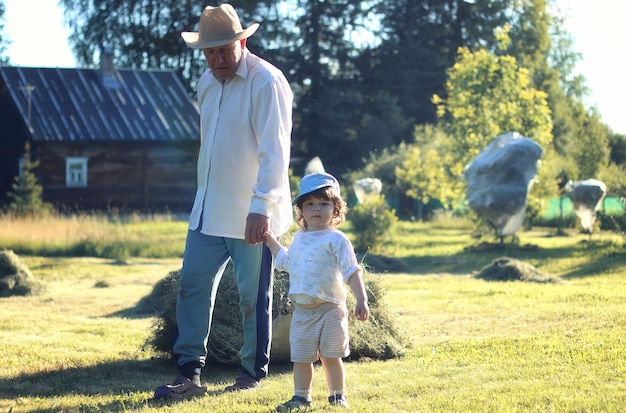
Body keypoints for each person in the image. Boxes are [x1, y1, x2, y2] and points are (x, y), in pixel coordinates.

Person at [154, 3, 293, 399]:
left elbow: (274, 152)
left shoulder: (267, 82)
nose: (216, 59)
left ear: (242, 41)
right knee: (191, 287)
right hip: (207, 208)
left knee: (252, 297)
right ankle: (188, 373)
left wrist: (261, 206)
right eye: (209, 52)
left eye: (223, 50)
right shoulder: (205, 83)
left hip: (251, 213)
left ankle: (252, 374)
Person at [263, 172, 370, 411]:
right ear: (301, 210)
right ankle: (301, 397)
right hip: (302, 312)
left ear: (336, 208)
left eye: (324, 203)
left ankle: (337, 396)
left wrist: (361, 298)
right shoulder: (300, 238)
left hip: (330, 310)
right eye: (310, 204)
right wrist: (270, 240)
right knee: (301, 359)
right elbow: (287, 262)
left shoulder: (337, 240)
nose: (317, 209)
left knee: (331, 357)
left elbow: (351, 271)